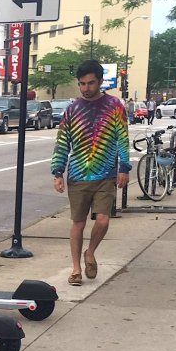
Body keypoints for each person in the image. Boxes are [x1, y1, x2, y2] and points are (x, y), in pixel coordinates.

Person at [51, 59, 131, 286]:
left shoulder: (114, 105)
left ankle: (91, 252)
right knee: (78, 223)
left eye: (91, 83)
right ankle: (76, 269)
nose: (86, 88)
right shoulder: (72, 109)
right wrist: (58, 172)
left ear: (100, 81)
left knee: (103, 221)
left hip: (105, 174)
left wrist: (124, 167)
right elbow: (62, 143)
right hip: (77, 176)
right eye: (82, 84)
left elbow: (122, 139)